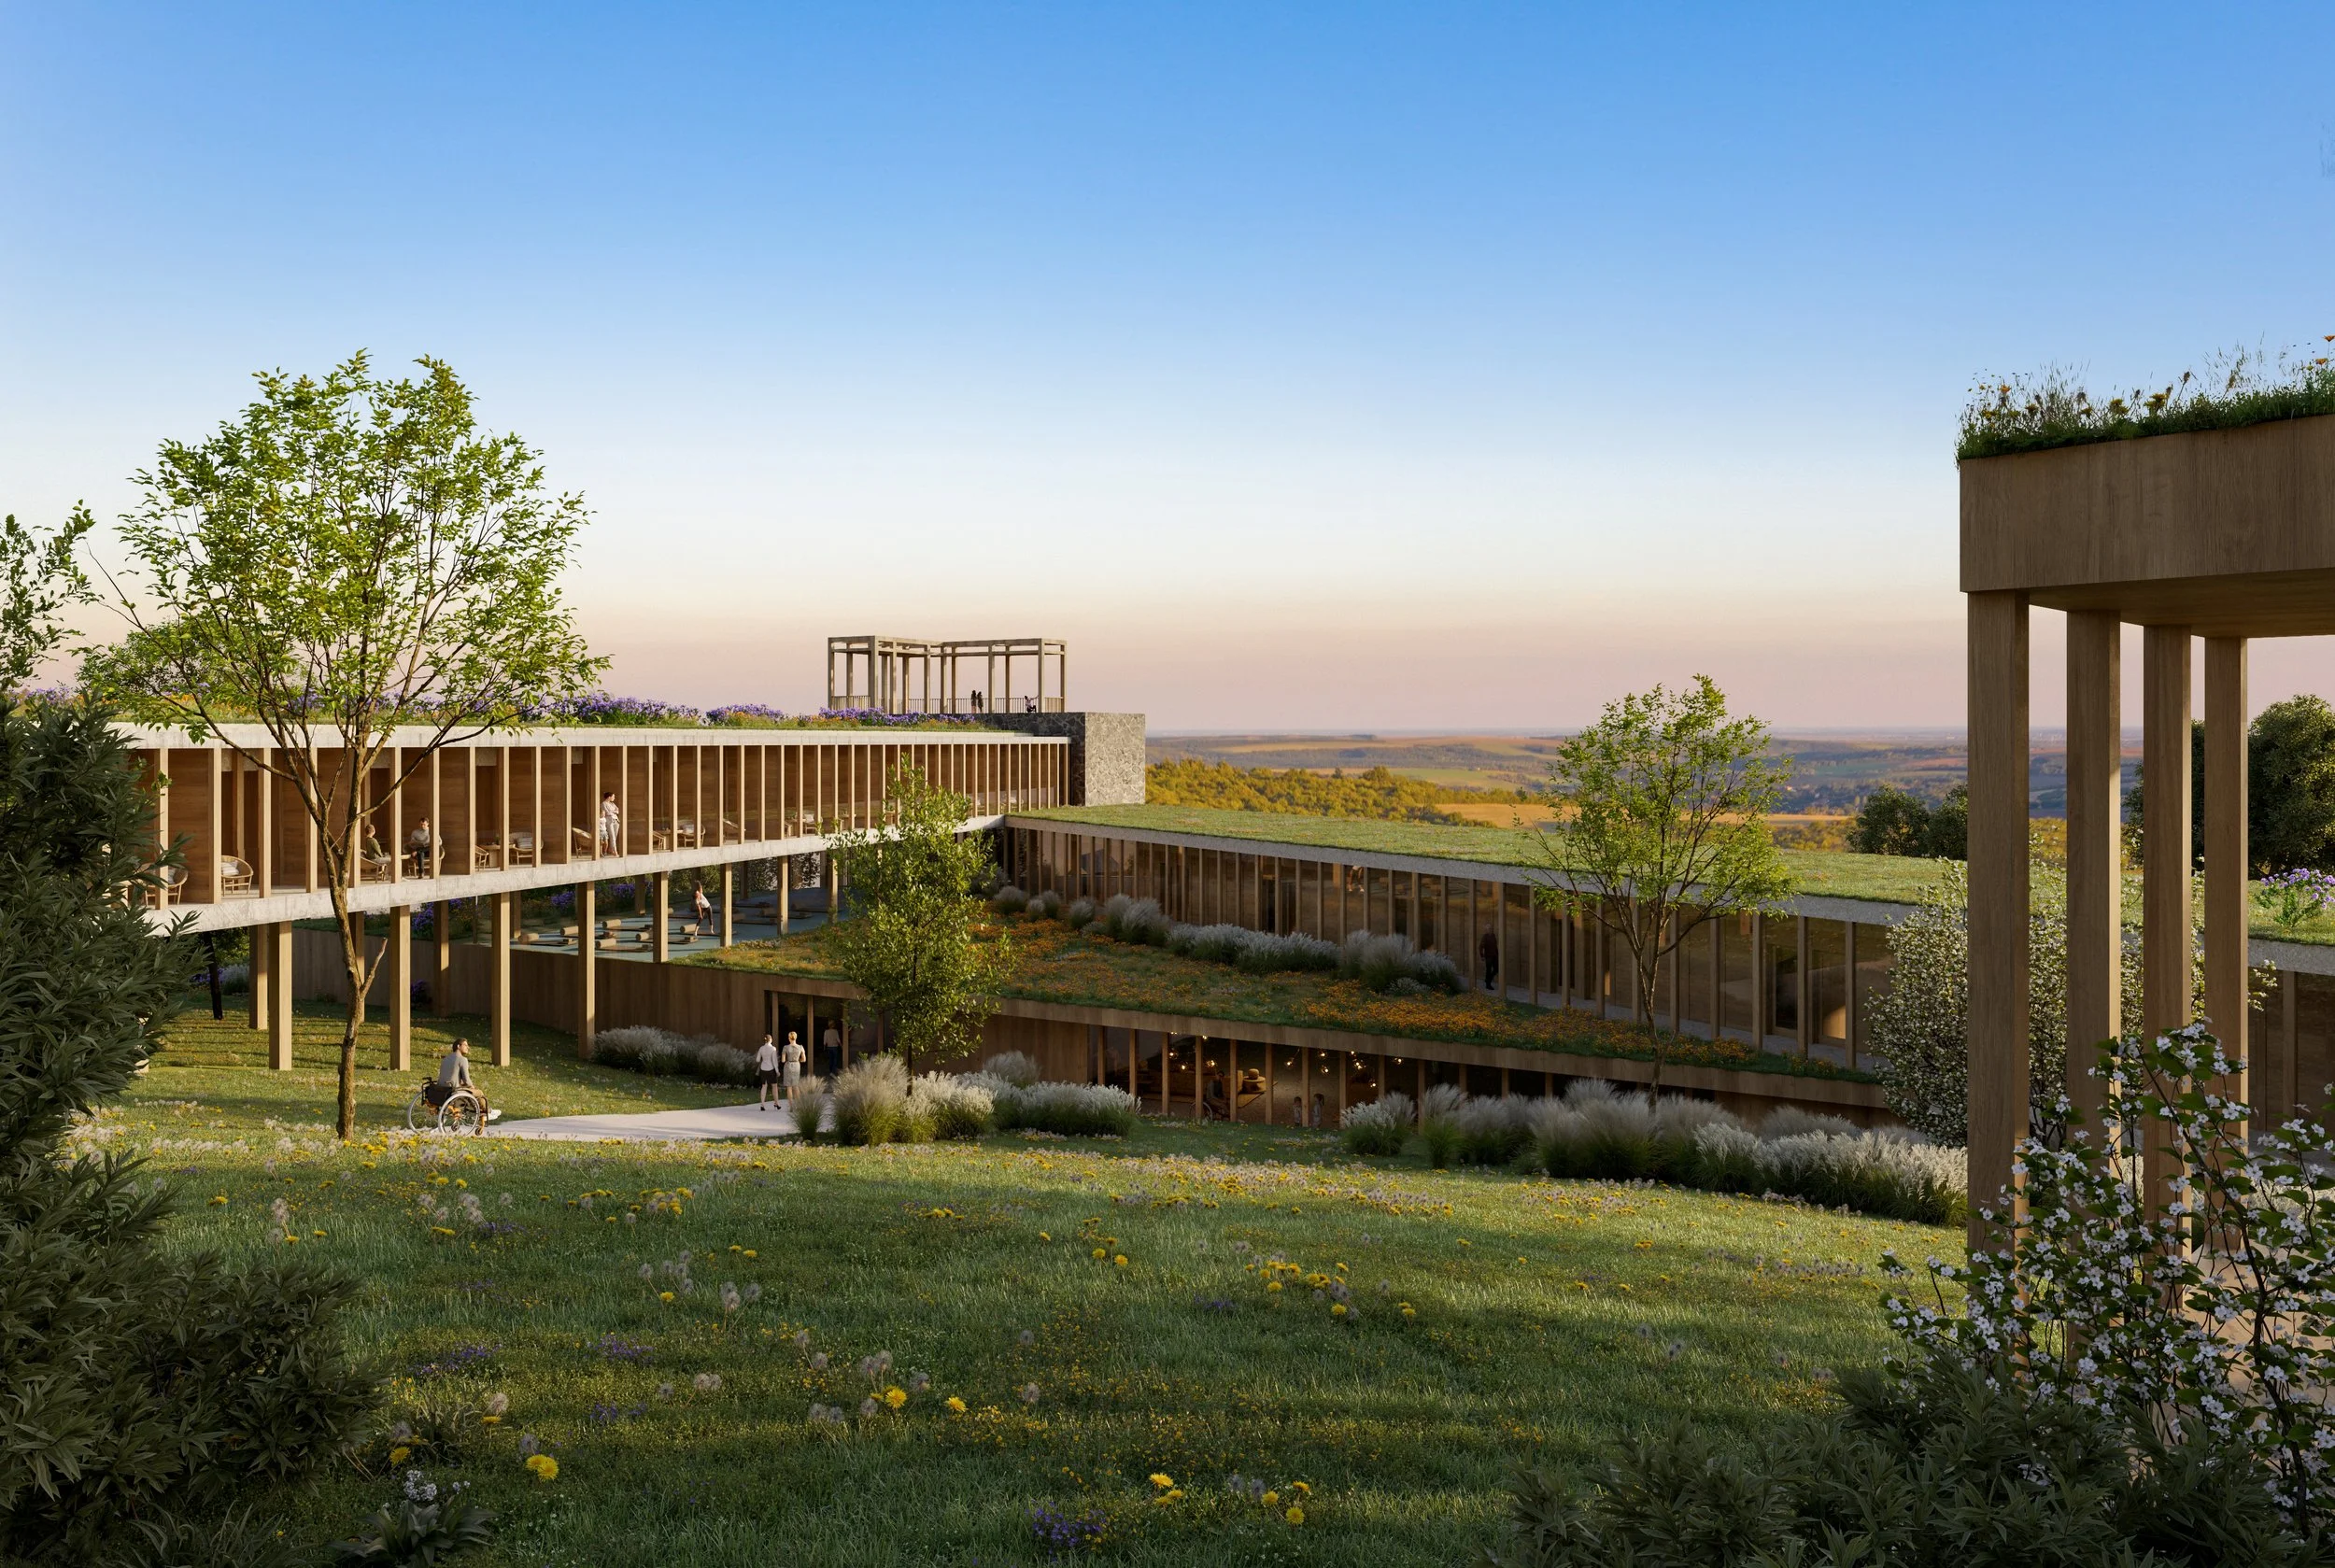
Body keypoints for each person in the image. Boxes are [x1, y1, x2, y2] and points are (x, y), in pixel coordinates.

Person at [433, 1037, 493, 1130]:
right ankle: (486, 1111)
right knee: (479, 1093)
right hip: (453, 1091)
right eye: (465, 1045)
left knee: (471, 1090)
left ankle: (483, 1110)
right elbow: (467, 1080)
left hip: (441, 1089)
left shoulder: (446, 1059)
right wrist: (472, 1086)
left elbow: (451, 1075)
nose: (468, 1047)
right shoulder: (462, 1059)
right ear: (458, 1046)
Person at [756, 1034, 782, 1109]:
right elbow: (774, 1061)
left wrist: (764, 1059)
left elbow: (757, 1060)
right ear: (770, 1040)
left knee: (764, 1086)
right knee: (774, 1086)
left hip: (763, 1069)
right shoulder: (773, 1048)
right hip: (771, 1069)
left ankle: (762, 1105)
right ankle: (777, 1103)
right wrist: (777, 1071)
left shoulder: (761, 1048)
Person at [598, 791, 620, 855]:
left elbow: (618, 810)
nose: (614, 798)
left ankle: (611, 849)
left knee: (614, 836)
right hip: (609, 821)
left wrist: (613, 811)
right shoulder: (603, 804)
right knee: (612, 836)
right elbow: (607, 813)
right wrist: (614, 811)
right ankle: (615, 851)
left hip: (616, 820)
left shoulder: (612, 804)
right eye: (613, 796)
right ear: (609, 797)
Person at [1479, 927, 1501, 993]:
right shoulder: (1485, 937)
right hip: (1488, 956)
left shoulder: (1493, 936)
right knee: (1488, 970)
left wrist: (1497, 954)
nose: (1490, 930)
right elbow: (1481, 946)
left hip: (1494, 956)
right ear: (1486, 930)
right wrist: (1482, 956)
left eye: (1491, 928)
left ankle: (1487, 980)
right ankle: (1488, 985)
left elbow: (1495, 946)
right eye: (1488, 929)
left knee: (1497, 969)